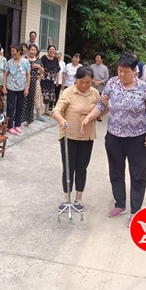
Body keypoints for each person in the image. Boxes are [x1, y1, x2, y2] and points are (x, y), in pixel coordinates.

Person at [81, 53, 146, 228]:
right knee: (115, 171)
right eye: (119, 70)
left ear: (135, 71)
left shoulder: (144, 88)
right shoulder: (112, 83)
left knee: (137, 175)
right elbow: (101, 105)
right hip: (114, 136)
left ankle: (136, 211)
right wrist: (89, 117)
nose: (122, 74)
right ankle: (120, 203)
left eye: (126, 71)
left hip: (137, 138)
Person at [52, 66, 100, 212]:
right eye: (81, 82)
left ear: (92, 81)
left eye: (88, 82)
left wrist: (99, 112)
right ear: (76, 80)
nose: (84, 85)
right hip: (69, 136)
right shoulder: (68, 92)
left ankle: (79, 198)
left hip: (87, 136)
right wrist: (61, 119)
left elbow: (101, 110)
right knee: (68, 168)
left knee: (81, 168)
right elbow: (56, 110)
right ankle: (66, 198)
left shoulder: (95, 93)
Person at [2, 44, 30, 136]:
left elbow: (28, 75)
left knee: (20, 107)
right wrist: (4, 86)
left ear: (19, 51)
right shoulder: (9, 62)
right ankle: (9, 126)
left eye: (14, 51)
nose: (12, 52)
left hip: (22, 87)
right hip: (11, 87)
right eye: (12, 51)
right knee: (10, 107)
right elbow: (5, 74)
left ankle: (17, 124)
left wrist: (27, 88)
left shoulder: (25, 62)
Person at [22, 44, 44, 125]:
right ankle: (21, 119)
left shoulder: (38, 60)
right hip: (23, 82)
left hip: (33, 83)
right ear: (28, 50)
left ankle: (29, 120)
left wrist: (38, 67)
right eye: (31, 50)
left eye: (34, 50)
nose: (33, 52)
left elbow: (42, 71)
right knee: (23, 100)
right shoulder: (24, 59)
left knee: (31, 101)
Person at [41, 45, 61, 114]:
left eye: (53, 49)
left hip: (51, 80)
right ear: (48, 50)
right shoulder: (44, 58)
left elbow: (57, 70)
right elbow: (40, 67)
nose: (52, 51)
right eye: (50, 49)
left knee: (49, 95)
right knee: (43, 94)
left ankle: (46, 111)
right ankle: (38, 110)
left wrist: (57, 80)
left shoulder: (55, 59)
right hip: (44, 79)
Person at [91, 52, 109, 122]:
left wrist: (100, 82)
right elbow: (89, 74)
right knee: (92, 100)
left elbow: (106, 78)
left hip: (101, 87)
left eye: (98, 58)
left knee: (100, 101)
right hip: (92, 86)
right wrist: (93, 81)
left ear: (102, 59)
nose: (97, 59)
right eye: (96, 57)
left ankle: (99, 115)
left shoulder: (105, 68)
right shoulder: (92, 66)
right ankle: (91, 114)